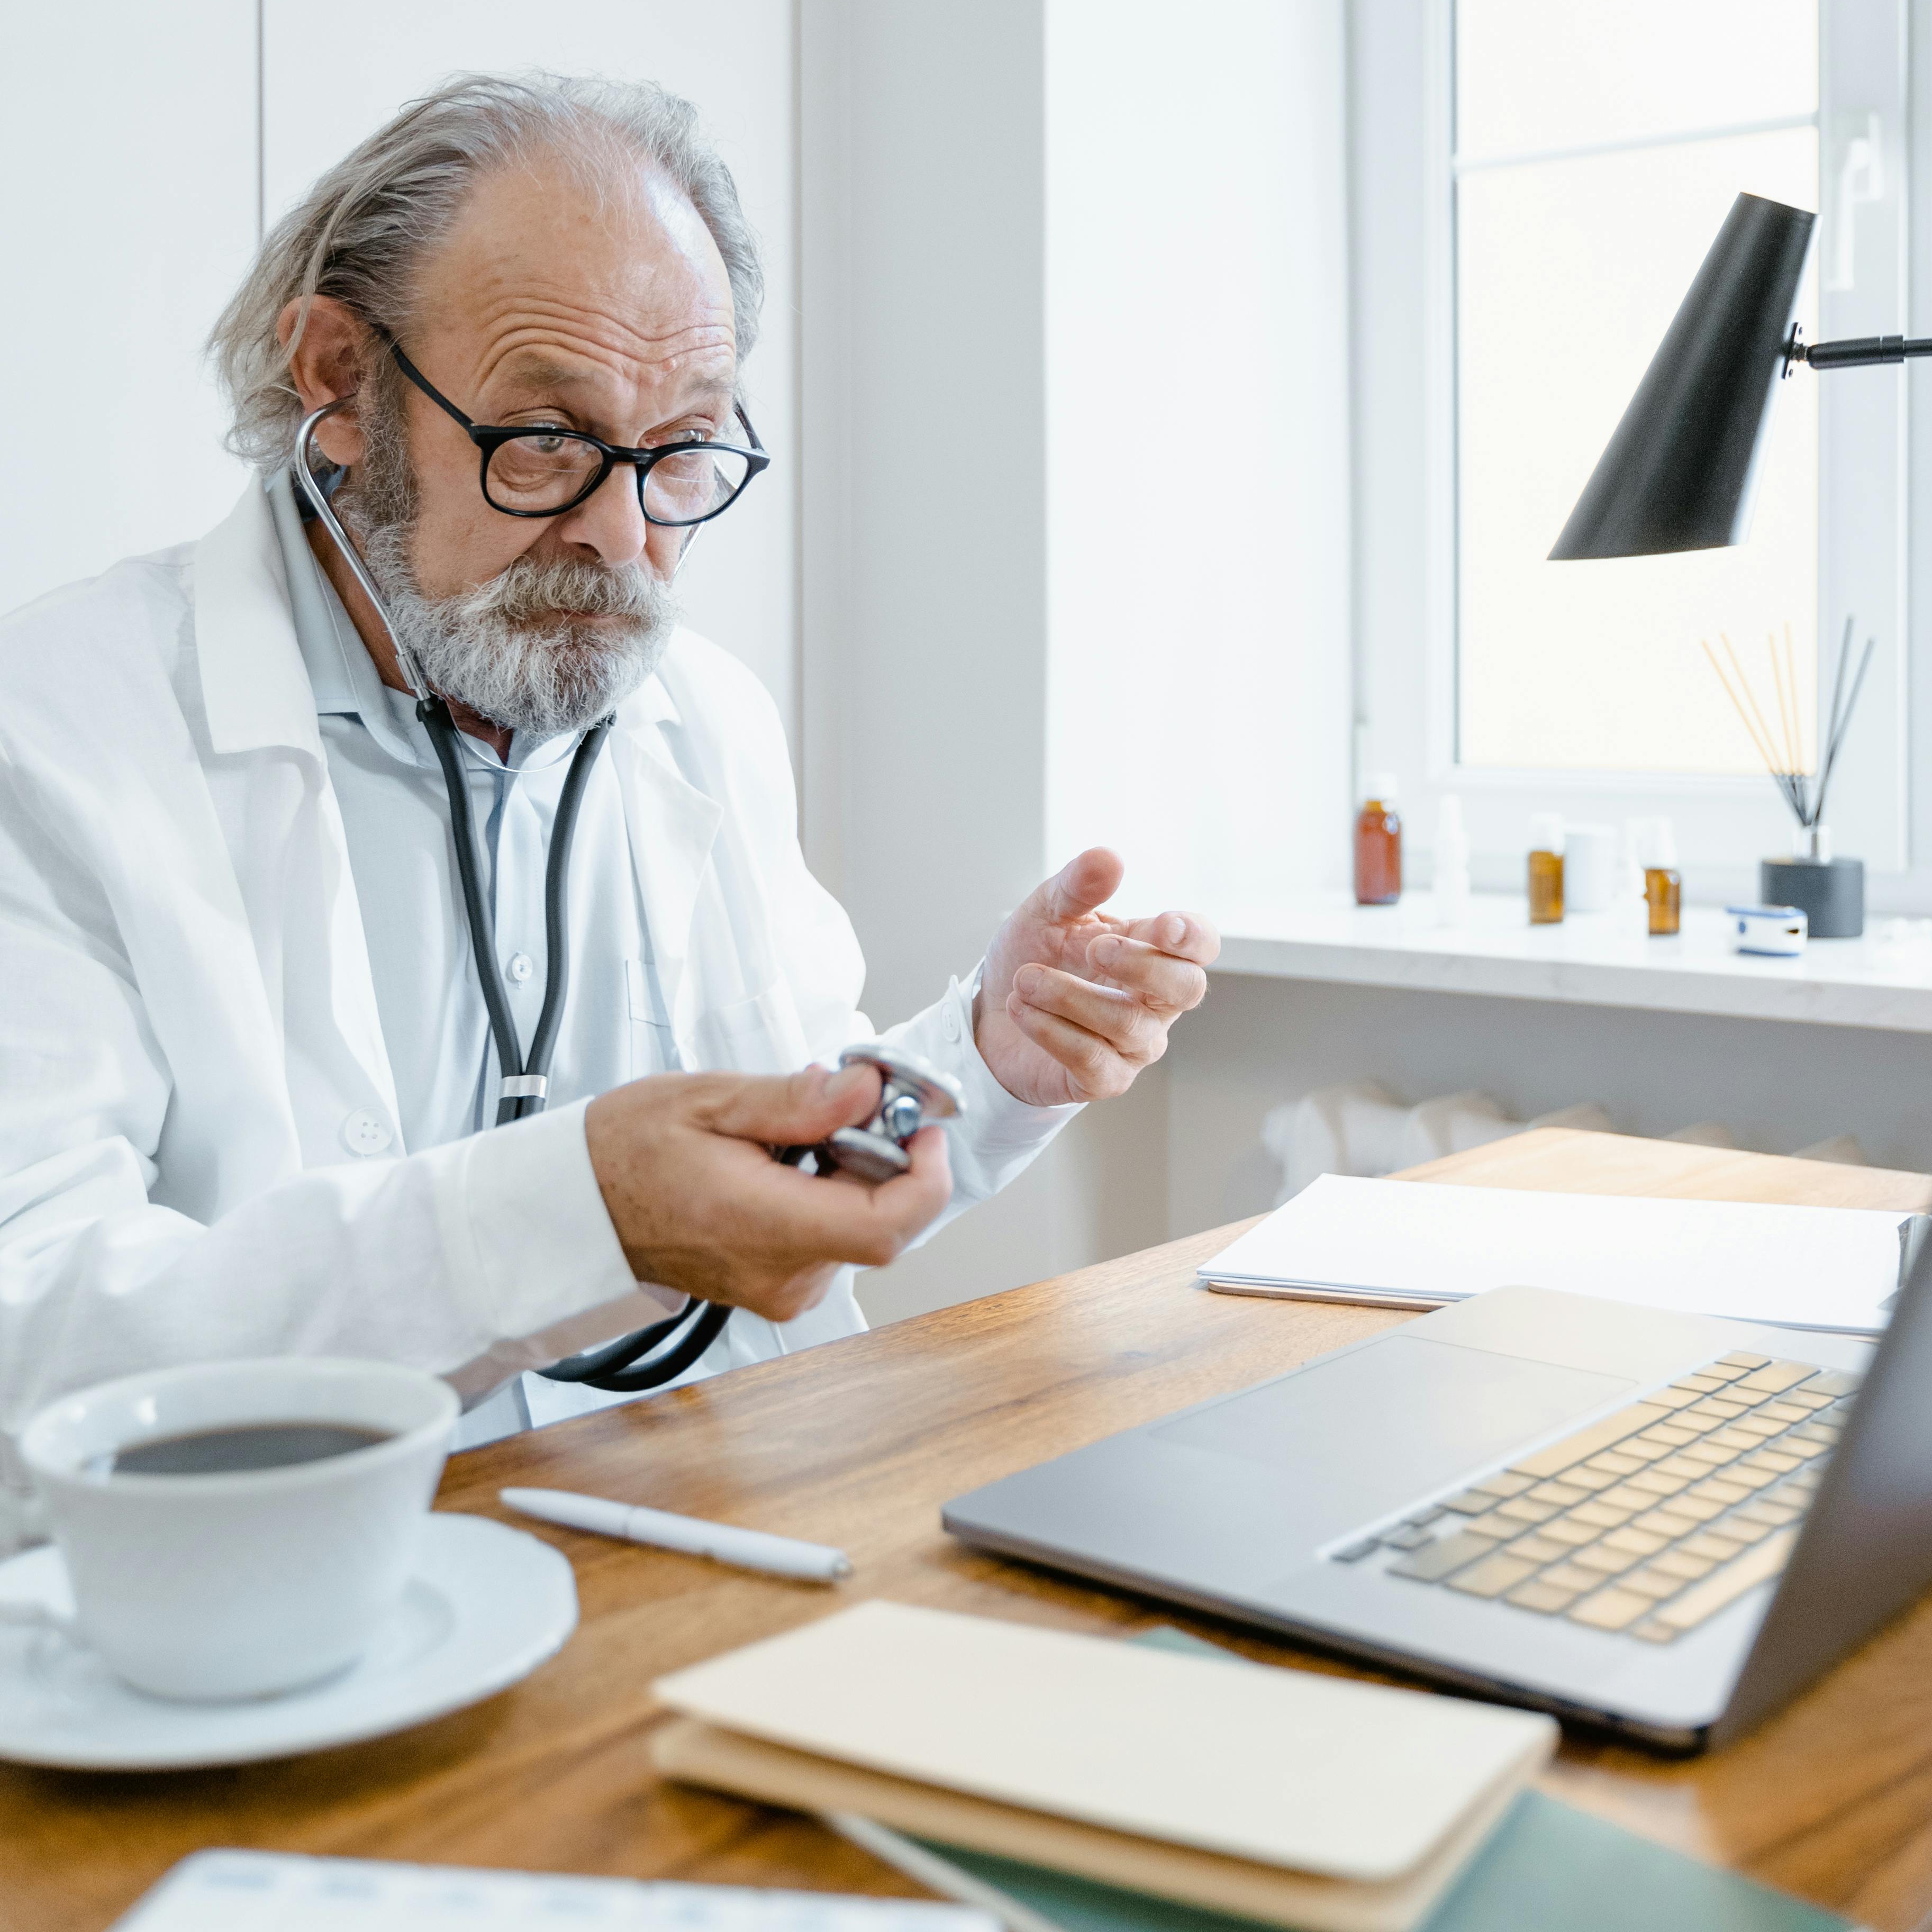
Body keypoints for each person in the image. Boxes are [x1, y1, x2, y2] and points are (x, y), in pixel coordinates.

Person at [0, 74, 1216, 1502]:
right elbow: (36, 1335)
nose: (622, 538)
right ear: (336, 379)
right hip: (267, 1620)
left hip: (696, 1551)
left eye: (682, 450)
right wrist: (572, 1209)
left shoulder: (704, 716)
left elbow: (777, 1168)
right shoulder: (61, 728)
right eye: (547, 441)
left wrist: (982, 1066)